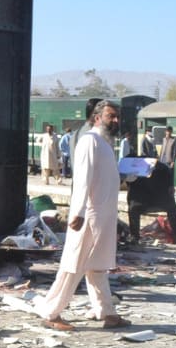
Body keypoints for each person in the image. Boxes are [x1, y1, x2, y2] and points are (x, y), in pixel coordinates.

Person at [36, 100, 130, 331]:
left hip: (103, 216)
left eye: (117, 116)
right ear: (97, 118)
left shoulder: (105, 144)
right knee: (74, 264)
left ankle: (107, 312)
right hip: (89, 215)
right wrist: (77, 212)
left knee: (97, 267)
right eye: (111, 116)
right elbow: (83, 179)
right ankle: (51, 312)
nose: (115, 121)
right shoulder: (90, 141)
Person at [126, 160, 176, 244]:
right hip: (151, 201)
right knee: (172, 208)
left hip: (143, 201)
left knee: (133, 209)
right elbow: (170, 190)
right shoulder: (163, 168)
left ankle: (134, 237)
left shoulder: (161, 168)